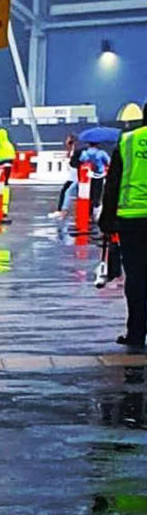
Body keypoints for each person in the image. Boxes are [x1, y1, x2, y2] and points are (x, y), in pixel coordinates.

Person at [98, 106, 147, 350]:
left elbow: (113, 183)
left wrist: (106, 219)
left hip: (132, 219)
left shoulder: (128, 141)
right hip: (133, 219)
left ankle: (136, 334)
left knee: (137, 278)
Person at [50, 134, 81, 219]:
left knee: (67, 192)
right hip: (72, 176)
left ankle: (63, 211)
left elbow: (75, 162)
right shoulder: (72, 150)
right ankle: (62, 210)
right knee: (66, 192)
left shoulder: (77, 150)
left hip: (76, 177)